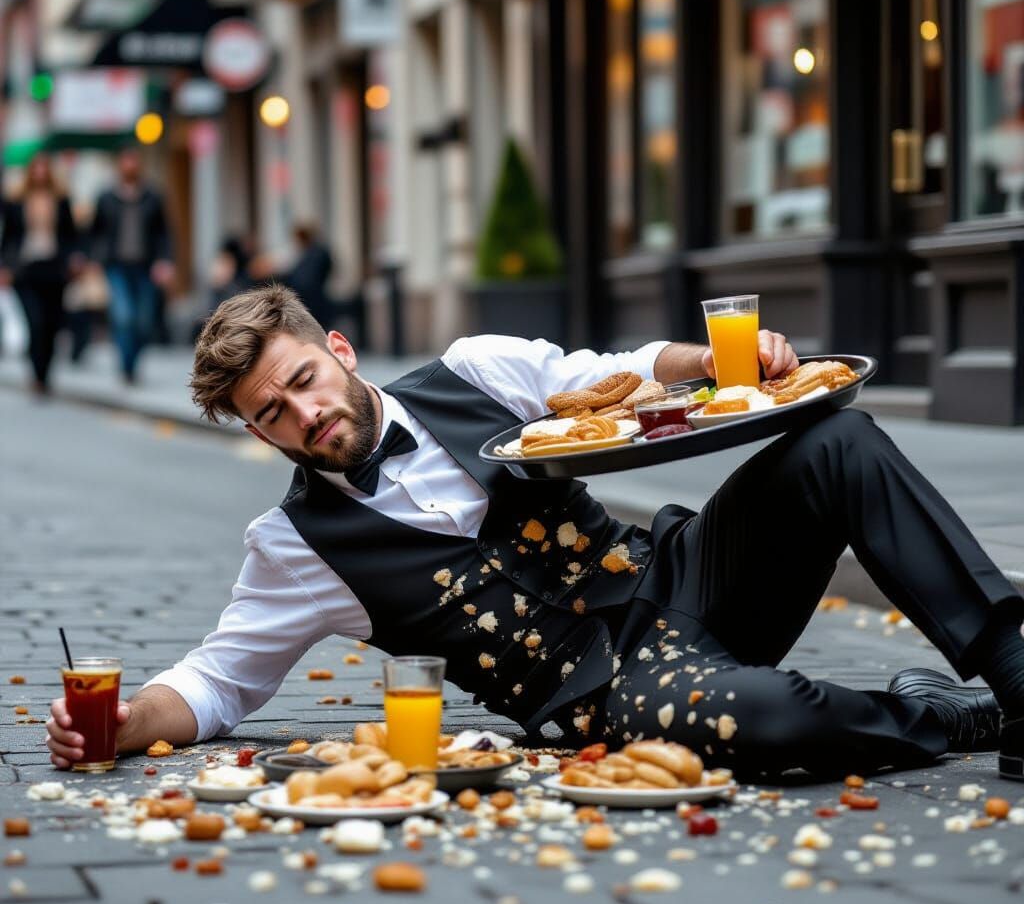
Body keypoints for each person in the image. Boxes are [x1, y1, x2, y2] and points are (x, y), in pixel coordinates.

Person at [46, 286, 1024, 782]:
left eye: (301, 381)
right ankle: (939, 713)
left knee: (837, 442)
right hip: (602, 696)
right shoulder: (294, 544)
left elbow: (620, 373)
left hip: (680, 582)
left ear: (336, 351)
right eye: (270, 414)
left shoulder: (474, 369)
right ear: (257, 432)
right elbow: (220, 678)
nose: (301, 416)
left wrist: (726, 359)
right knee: (771, 718)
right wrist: (123, 726)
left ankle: (1015, 673)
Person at [89, 147, 174, 383]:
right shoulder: (106, 197)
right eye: (126, 161)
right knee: (124, 315)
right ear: (120, 165)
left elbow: (164, 233)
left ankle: (133, 361)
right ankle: (126, 366)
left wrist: (165, 261)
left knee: (144, 320)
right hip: (116, 265)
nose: (130, 166)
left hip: (146, 266)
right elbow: (95, 232)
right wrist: (95, 259)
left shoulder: (152, 196)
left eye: (134, 161)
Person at [0, 154, 80, 394]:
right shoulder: (16, 201)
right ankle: (36, 373)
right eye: (37, 168)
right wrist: (4, 266)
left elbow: (71, 235)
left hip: (54, 270)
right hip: (25, 270)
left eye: (45, 168)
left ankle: (45, 374)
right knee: (35, 322)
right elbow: (9, 238)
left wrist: (74, 259)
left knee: (53, 324)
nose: (41, 173)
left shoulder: (61, 200)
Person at [190, 236, 254, 343]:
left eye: (225, 265)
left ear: (232, 268)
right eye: (219, 264)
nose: (219, 269)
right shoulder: (209, 289)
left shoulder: (237, 291)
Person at [283, 222, 333, 328]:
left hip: (311, 300)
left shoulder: (314, 254)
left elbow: (305, 280)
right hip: (314, 298)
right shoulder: (313, 253)